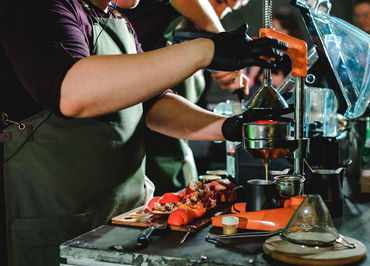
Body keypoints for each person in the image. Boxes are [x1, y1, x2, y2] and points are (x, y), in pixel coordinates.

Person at [0, 0, 286, 265]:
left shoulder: (117, 19)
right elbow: (73, 92)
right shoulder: (39, 8)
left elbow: (152, 104)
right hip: (55, 220)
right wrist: (206, 50)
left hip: (123, 216)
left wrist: (230, 127)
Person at [121, 0, 250, 195]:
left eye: (230, 9)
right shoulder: (136, 18)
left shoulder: (185, 33)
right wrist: (222, 41)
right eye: (219, 1)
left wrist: (228, 127)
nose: (220, 14)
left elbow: (158, 103)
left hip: (173, 158)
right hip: (135, 158)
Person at [245, 6, 304, 100]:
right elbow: (252, 73)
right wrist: (251, 76)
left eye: (276, 29)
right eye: (270, 30)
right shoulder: (266, 49)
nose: (271, 35)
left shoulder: (292, 56)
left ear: (287, 31)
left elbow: (293, 86)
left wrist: (282, 82)